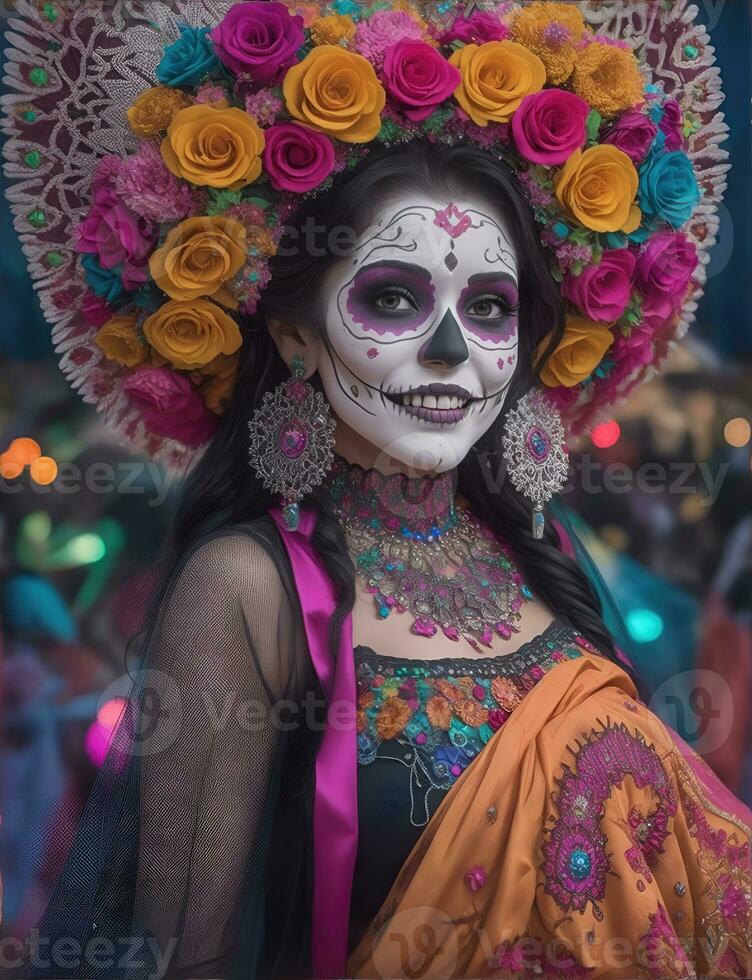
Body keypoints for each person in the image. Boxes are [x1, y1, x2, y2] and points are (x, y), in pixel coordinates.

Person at [3, 2, 750, 977]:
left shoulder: (539, 545)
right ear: (294, 333)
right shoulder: (249, 586)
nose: (449, 349)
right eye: (392, 296)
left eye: (488, 307)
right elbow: (185, 955)